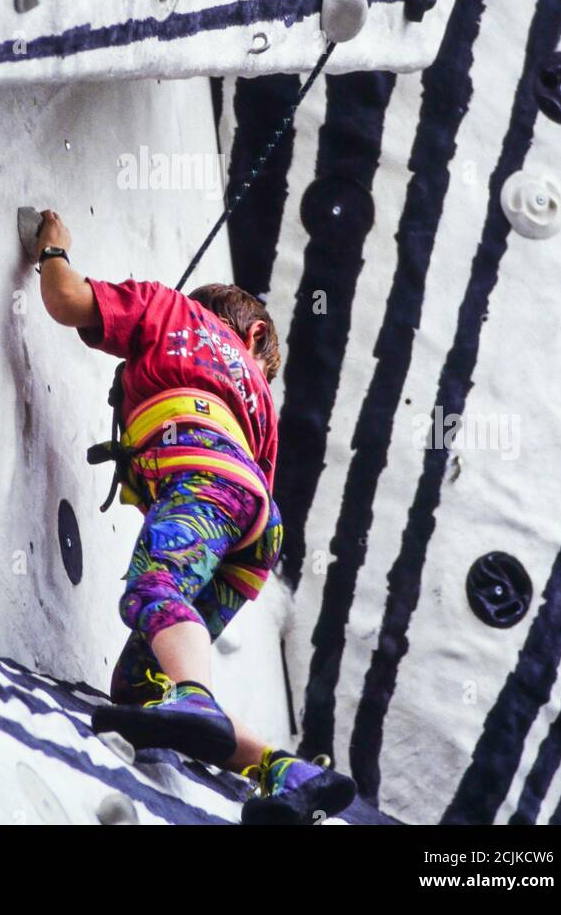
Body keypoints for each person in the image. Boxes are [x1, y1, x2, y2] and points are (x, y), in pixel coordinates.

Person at [31, 208, 355, 824]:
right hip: (256, 527)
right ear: (256, 336)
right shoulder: (259, 402)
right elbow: (242, 491)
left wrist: (53, 250)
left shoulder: (167, 309)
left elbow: (67, 300)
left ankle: (198, 697)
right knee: (142, 687)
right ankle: (287, 774)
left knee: (157, 589)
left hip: (204, 475)